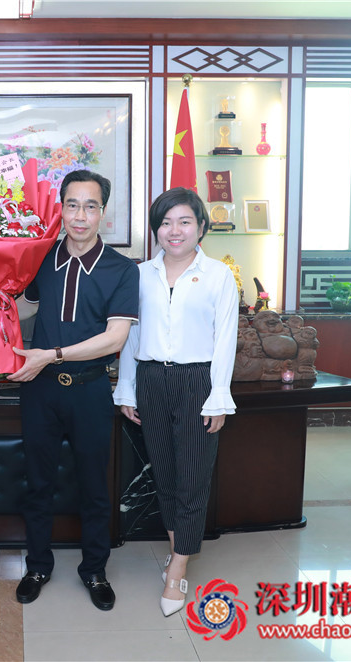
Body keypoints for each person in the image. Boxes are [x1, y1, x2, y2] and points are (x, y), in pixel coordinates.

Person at [8, 169, 139, 611]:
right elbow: (26, 308)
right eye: (72, 205)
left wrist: (52, 354)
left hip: (89, 390)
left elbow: (115, 339)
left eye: (90, 206)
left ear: (103, 212)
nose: (80, 216)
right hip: (40, 390)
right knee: (37, 483)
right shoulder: (40, 257)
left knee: (94, 487)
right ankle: (37, 567)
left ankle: (94, 570)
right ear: (60, 209)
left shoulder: (122, 270)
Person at [113, 187, 239, 617]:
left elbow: (225, 340)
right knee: (164, 474)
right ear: (156, 230)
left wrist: (218, 396)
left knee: (192, 477)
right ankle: (177, 549)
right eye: (166, 223)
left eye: (184, 221)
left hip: (196, 381)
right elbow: (129, 335)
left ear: (201, 227)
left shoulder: (218, 275)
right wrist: (127, 387)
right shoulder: (139, 275)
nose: (174, 230)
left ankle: (178, 567)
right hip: (150, 379)